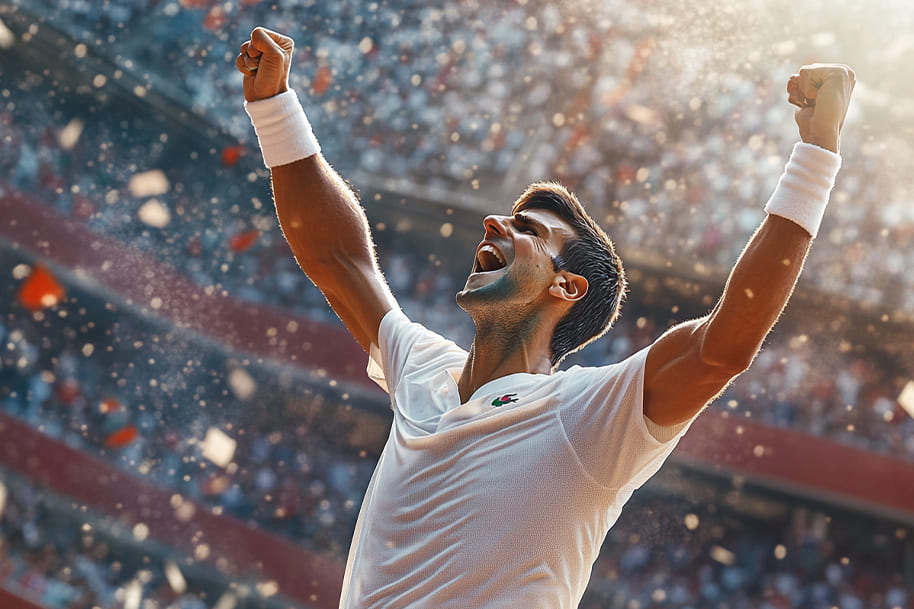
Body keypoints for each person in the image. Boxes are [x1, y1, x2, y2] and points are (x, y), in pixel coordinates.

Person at [235, 26, 855, 609]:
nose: (493, 224)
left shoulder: (586, 414)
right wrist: (275, 109)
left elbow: (722, 347)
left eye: (527, 230)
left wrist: (817, 153)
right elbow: (339, 259)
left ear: (566, 286)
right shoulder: (422, 370)